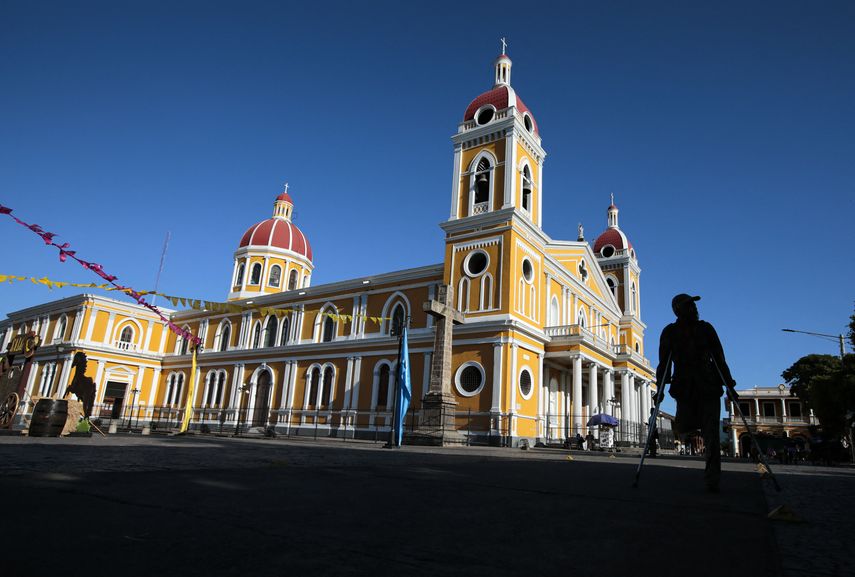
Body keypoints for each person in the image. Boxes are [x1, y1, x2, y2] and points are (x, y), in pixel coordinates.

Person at [655, 294, 738, 493]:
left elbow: (719, 358)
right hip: (684, 387)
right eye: (688, 305)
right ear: (678, 310)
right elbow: (664, 363)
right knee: (683, 426)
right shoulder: (670, 332)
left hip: (708, 384)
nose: (693, 308)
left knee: (711, 434)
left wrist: (729, 385)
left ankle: (712, 479)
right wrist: (660, 389)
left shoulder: (706, 329)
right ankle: (695, 434)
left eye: (693, 305)